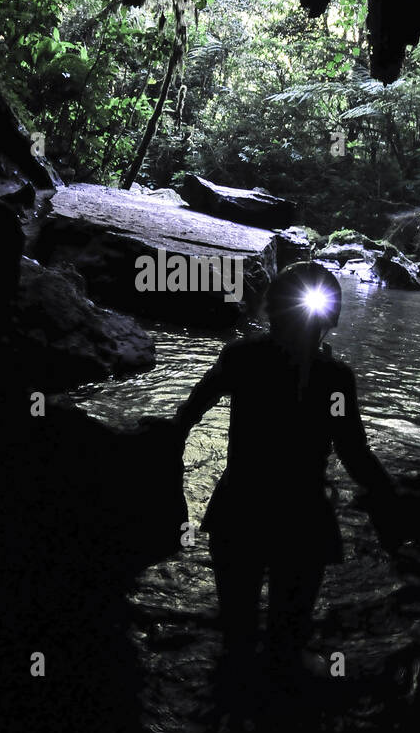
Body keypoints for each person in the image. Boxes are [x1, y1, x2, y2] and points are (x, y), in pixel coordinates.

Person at [169, 261, 401, 681]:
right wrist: (391, 502)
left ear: (273, 309)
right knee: (287, 646)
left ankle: (228, 716)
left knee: (235, 639)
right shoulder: (334, 378)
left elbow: (188, 414)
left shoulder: (242, 357)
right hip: (302, 517)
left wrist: (161, 455)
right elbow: (355, 453)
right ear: (329, 318)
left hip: (240, 507)